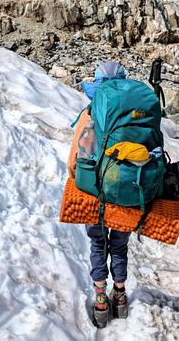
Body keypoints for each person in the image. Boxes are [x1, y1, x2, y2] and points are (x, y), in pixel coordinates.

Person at [67, 60, 130, 327]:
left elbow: (73, 162)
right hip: (127, 193)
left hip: (95, 193)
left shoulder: (90, 113)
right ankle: (121, 297)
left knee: (97, 244)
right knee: (119, 245)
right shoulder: (134, 112)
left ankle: (101, 300)